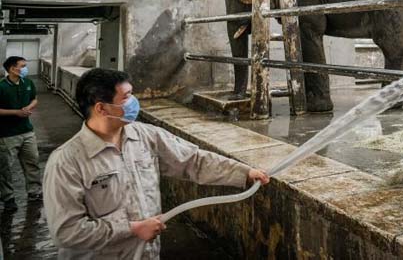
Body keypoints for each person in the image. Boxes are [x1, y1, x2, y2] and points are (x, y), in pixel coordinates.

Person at [43, 68, 269, 259]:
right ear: (101, 108)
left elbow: (193, 160)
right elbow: (67, 232)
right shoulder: (67, 162)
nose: (134, 102)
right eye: (127, 97)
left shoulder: (144, 136)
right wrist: (132, 229)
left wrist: (244, 172)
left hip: (148, 254)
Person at [0, 55, 42, 210]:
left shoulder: (28, 82)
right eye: (22, 66)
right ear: (12, 68)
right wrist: (15, 112)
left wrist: (29, 107)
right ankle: (8, 198)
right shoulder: (2, 87)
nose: (26, 68)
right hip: (7, 134)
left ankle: (34, 192)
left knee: (32, 162)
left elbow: (35, 99)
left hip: (27, 131)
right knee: (6, 168)